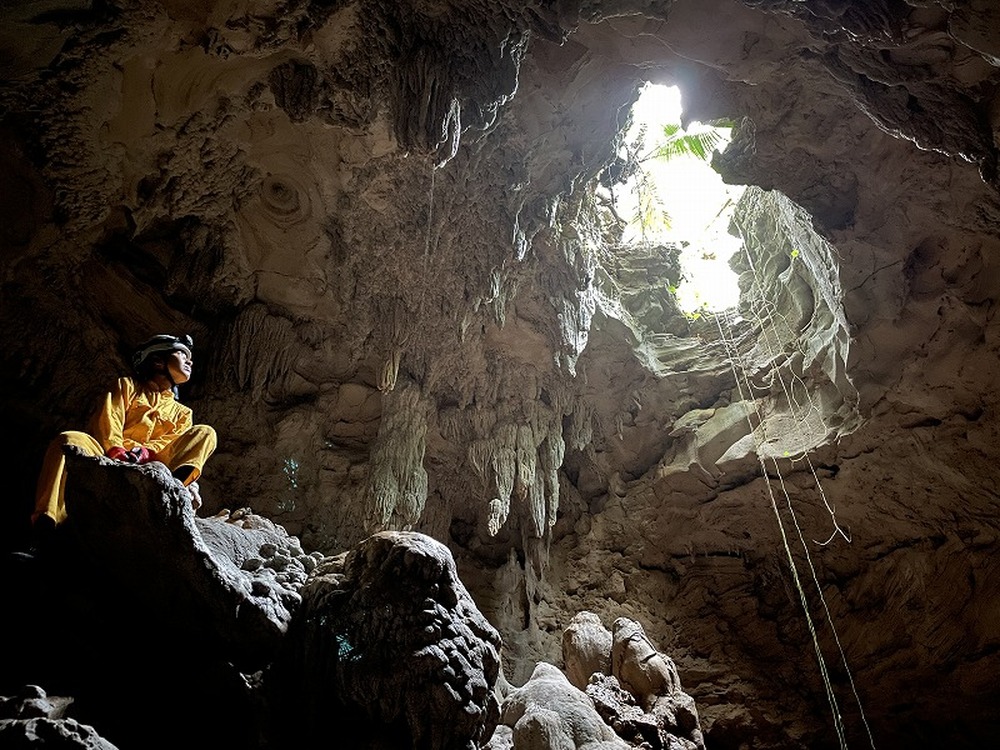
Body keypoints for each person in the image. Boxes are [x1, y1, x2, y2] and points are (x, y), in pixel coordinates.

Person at [29, 334, 217, 545]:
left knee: (206, 433)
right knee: (69, 440)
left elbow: (170, 442)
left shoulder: (183, 413)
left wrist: (145, 453)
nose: (190, 362)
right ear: (158, 361)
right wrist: (116, 450)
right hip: (108, 455)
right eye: (182, 355)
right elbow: (109, 419)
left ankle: (169, 491)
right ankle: (47, 524)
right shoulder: (127, 386)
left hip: (155, 463)